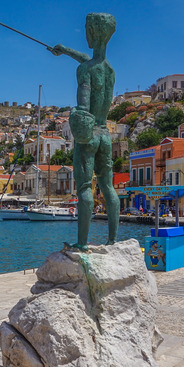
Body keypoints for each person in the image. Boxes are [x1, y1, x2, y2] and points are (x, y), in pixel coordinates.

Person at [51, 13, 119, 250]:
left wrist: (77, 117)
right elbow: (89, 60)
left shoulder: (85, 71)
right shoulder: (109, 70)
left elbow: (83, 102)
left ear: (91, 32)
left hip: (88, 134)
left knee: (83, 188)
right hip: (105, 134)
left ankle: (81, 244)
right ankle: (112, 240)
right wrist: (65, 50)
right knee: (108, 187)